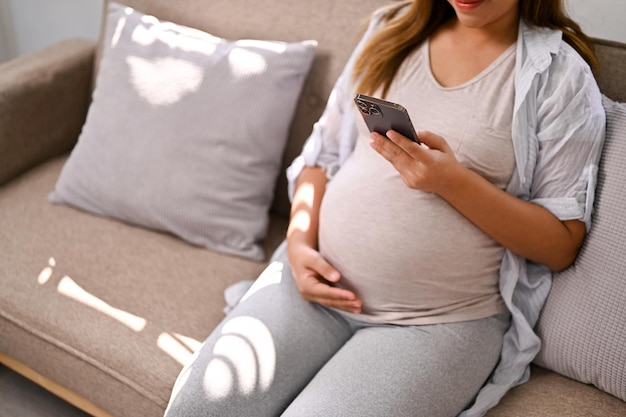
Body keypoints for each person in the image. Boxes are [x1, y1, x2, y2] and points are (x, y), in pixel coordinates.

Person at [164, 0, 605, 416]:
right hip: (312, 289)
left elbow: (560, 244)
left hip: (436, 323)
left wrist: (453, 183)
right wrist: (297, 246)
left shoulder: (558, 77)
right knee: (196, 408)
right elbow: (322, 157)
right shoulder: (391, 32)